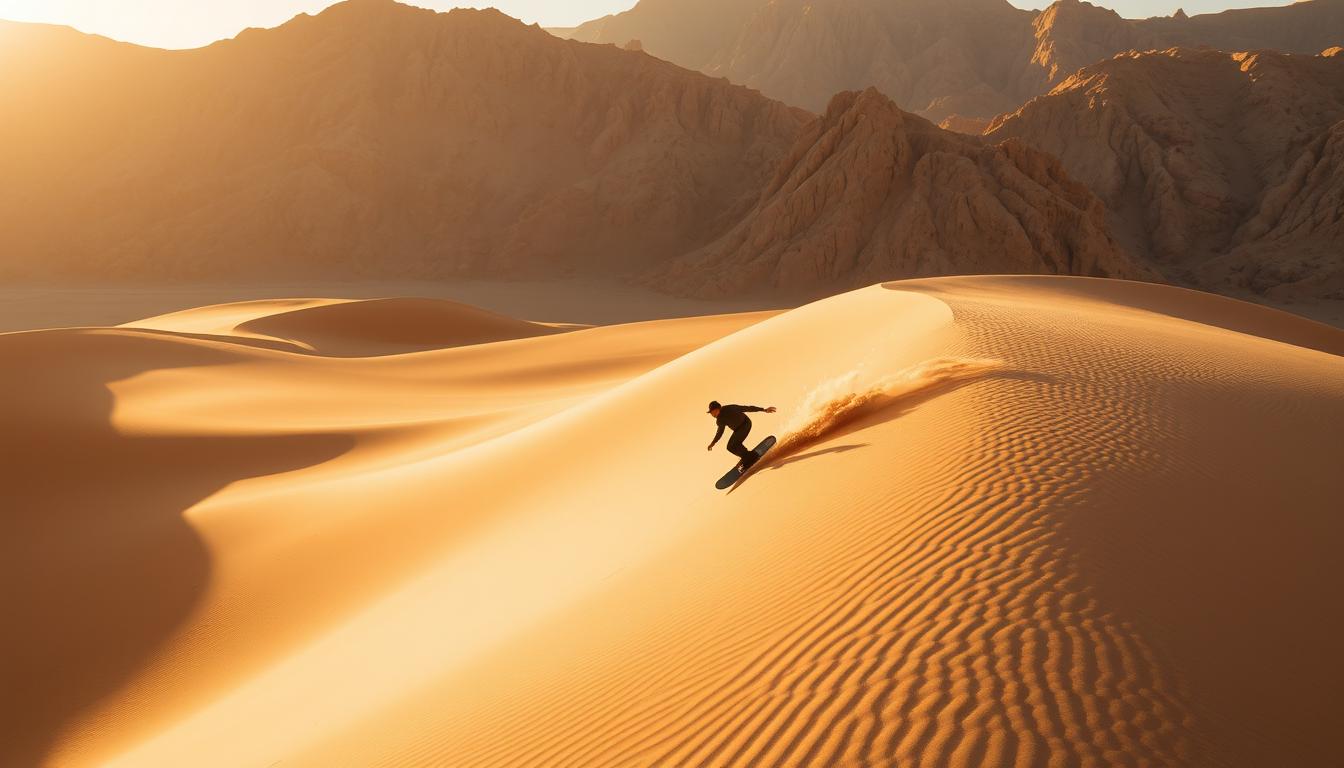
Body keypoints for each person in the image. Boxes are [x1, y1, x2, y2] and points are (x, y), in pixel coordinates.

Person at [707, 400, 776, 470]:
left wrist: (763, 410)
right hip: (737, 430)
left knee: (735, 444)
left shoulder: (730, 408)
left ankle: (750, 457)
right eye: (711, 413)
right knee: (730, 447)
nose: (712, 415)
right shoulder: (720, 420)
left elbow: (747, 408)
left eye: (712, 412)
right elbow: (720, 432)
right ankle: (746, 456)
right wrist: (713, 442)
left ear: (718, 408)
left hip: (745, 424)